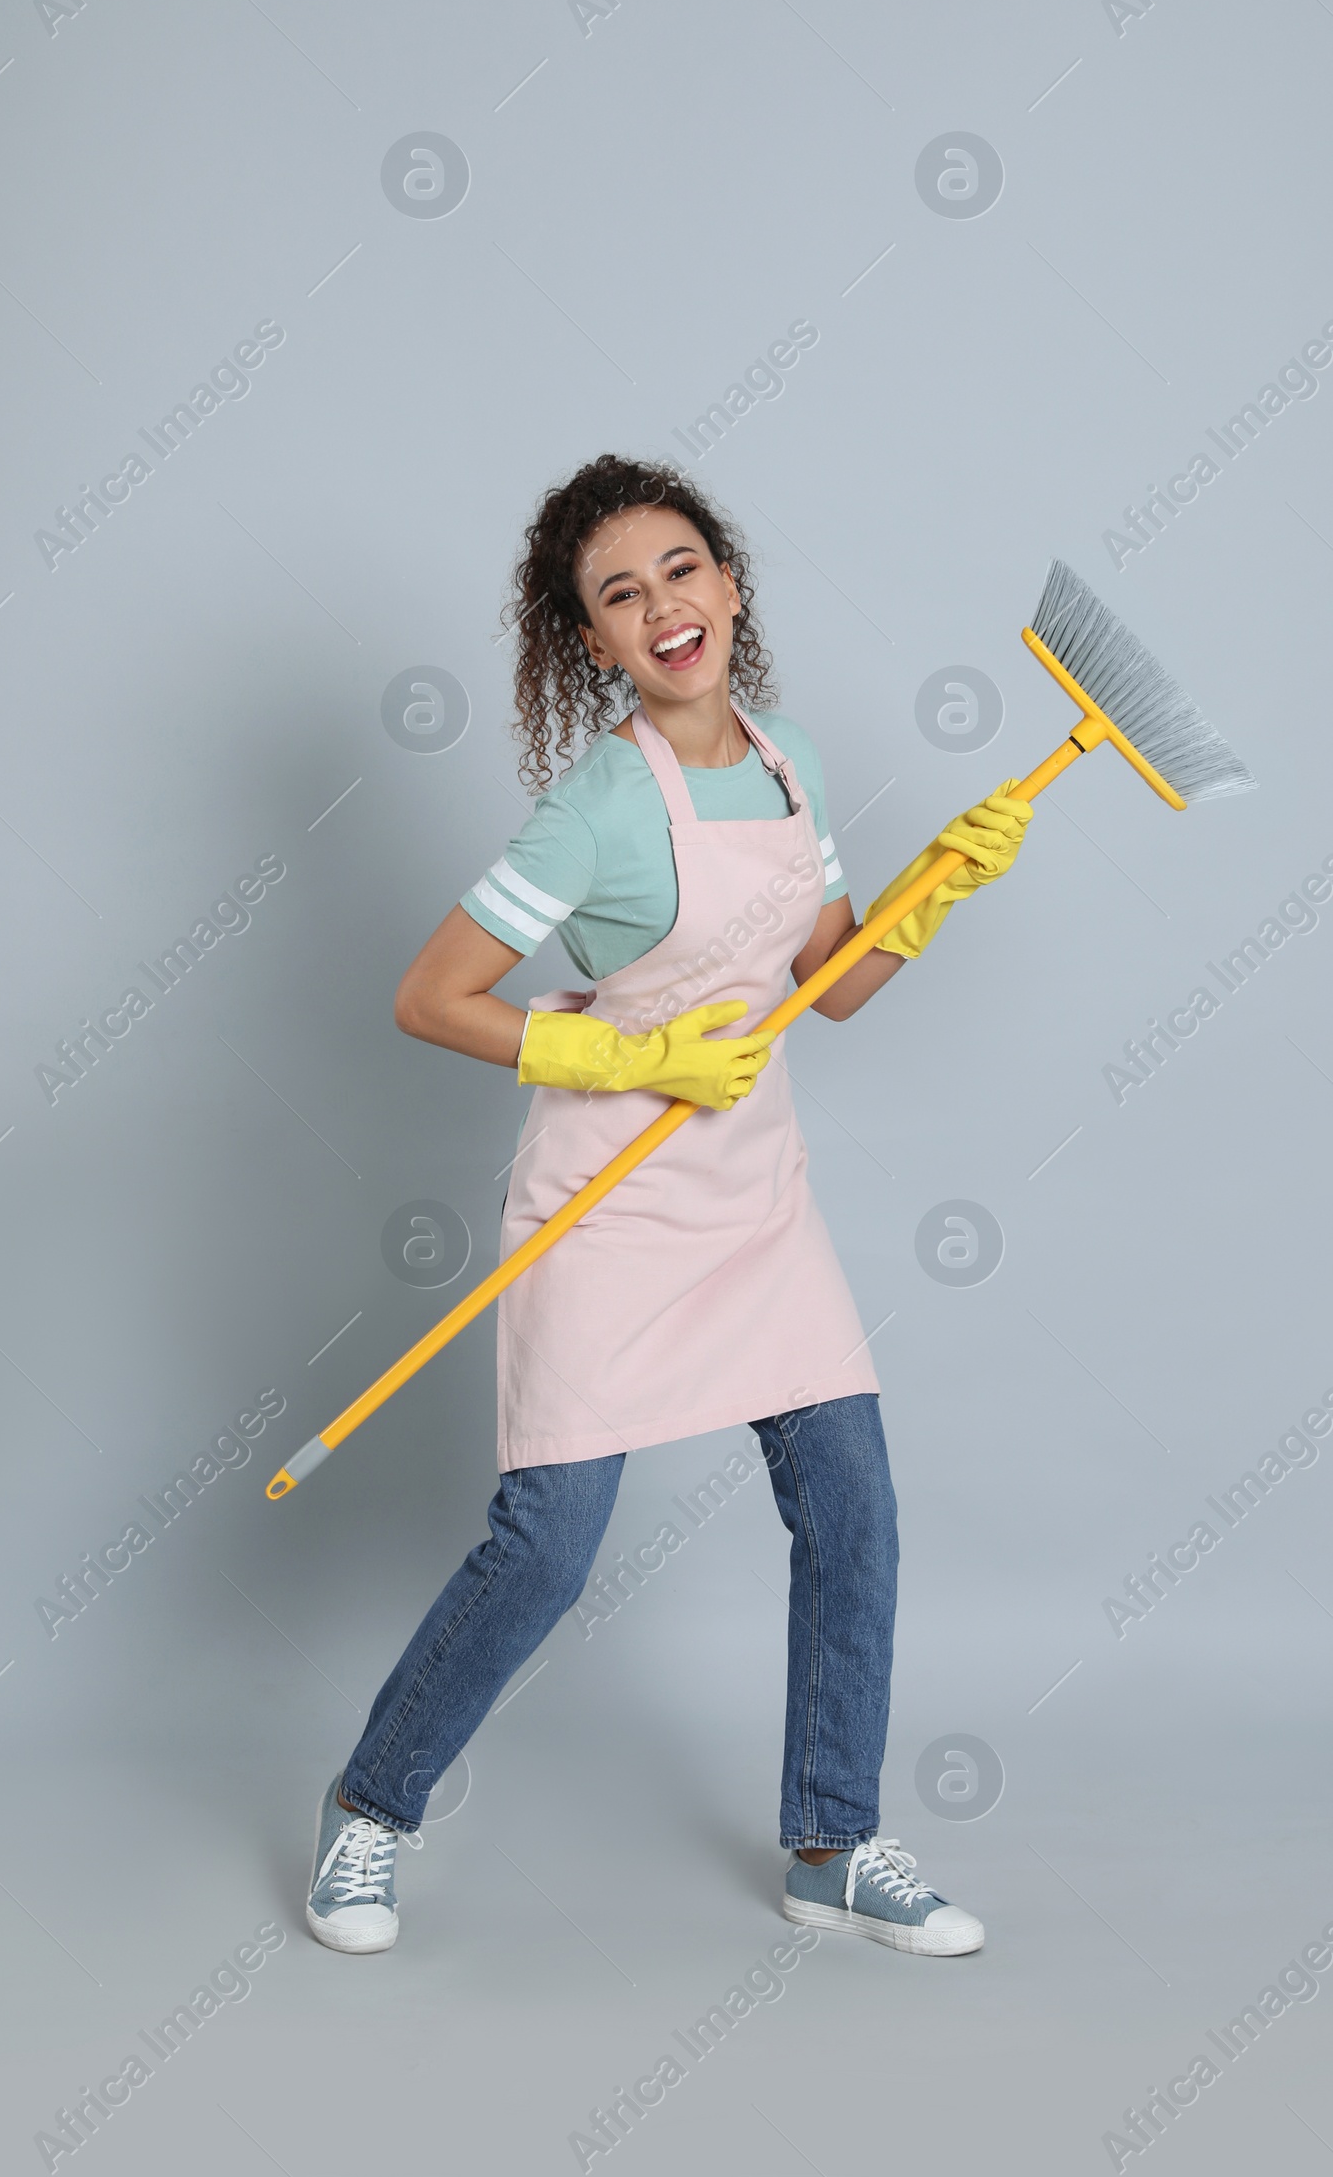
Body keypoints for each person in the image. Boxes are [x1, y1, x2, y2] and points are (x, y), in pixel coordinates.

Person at [306, 455, 1031, 1957]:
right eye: (619, 596)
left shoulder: (788, 766)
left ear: (732, 584)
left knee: (854, 1513)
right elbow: (428, 997)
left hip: (754, 1197)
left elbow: (828, 991)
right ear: (594, 643)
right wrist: (623, 1053)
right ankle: (372, 1810)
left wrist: (936, 891)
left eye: (681, 570)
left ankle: (833, 1840)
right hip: (610, 1208)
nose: (662, 608)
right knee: (547, 1551)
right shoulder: (594, 810)